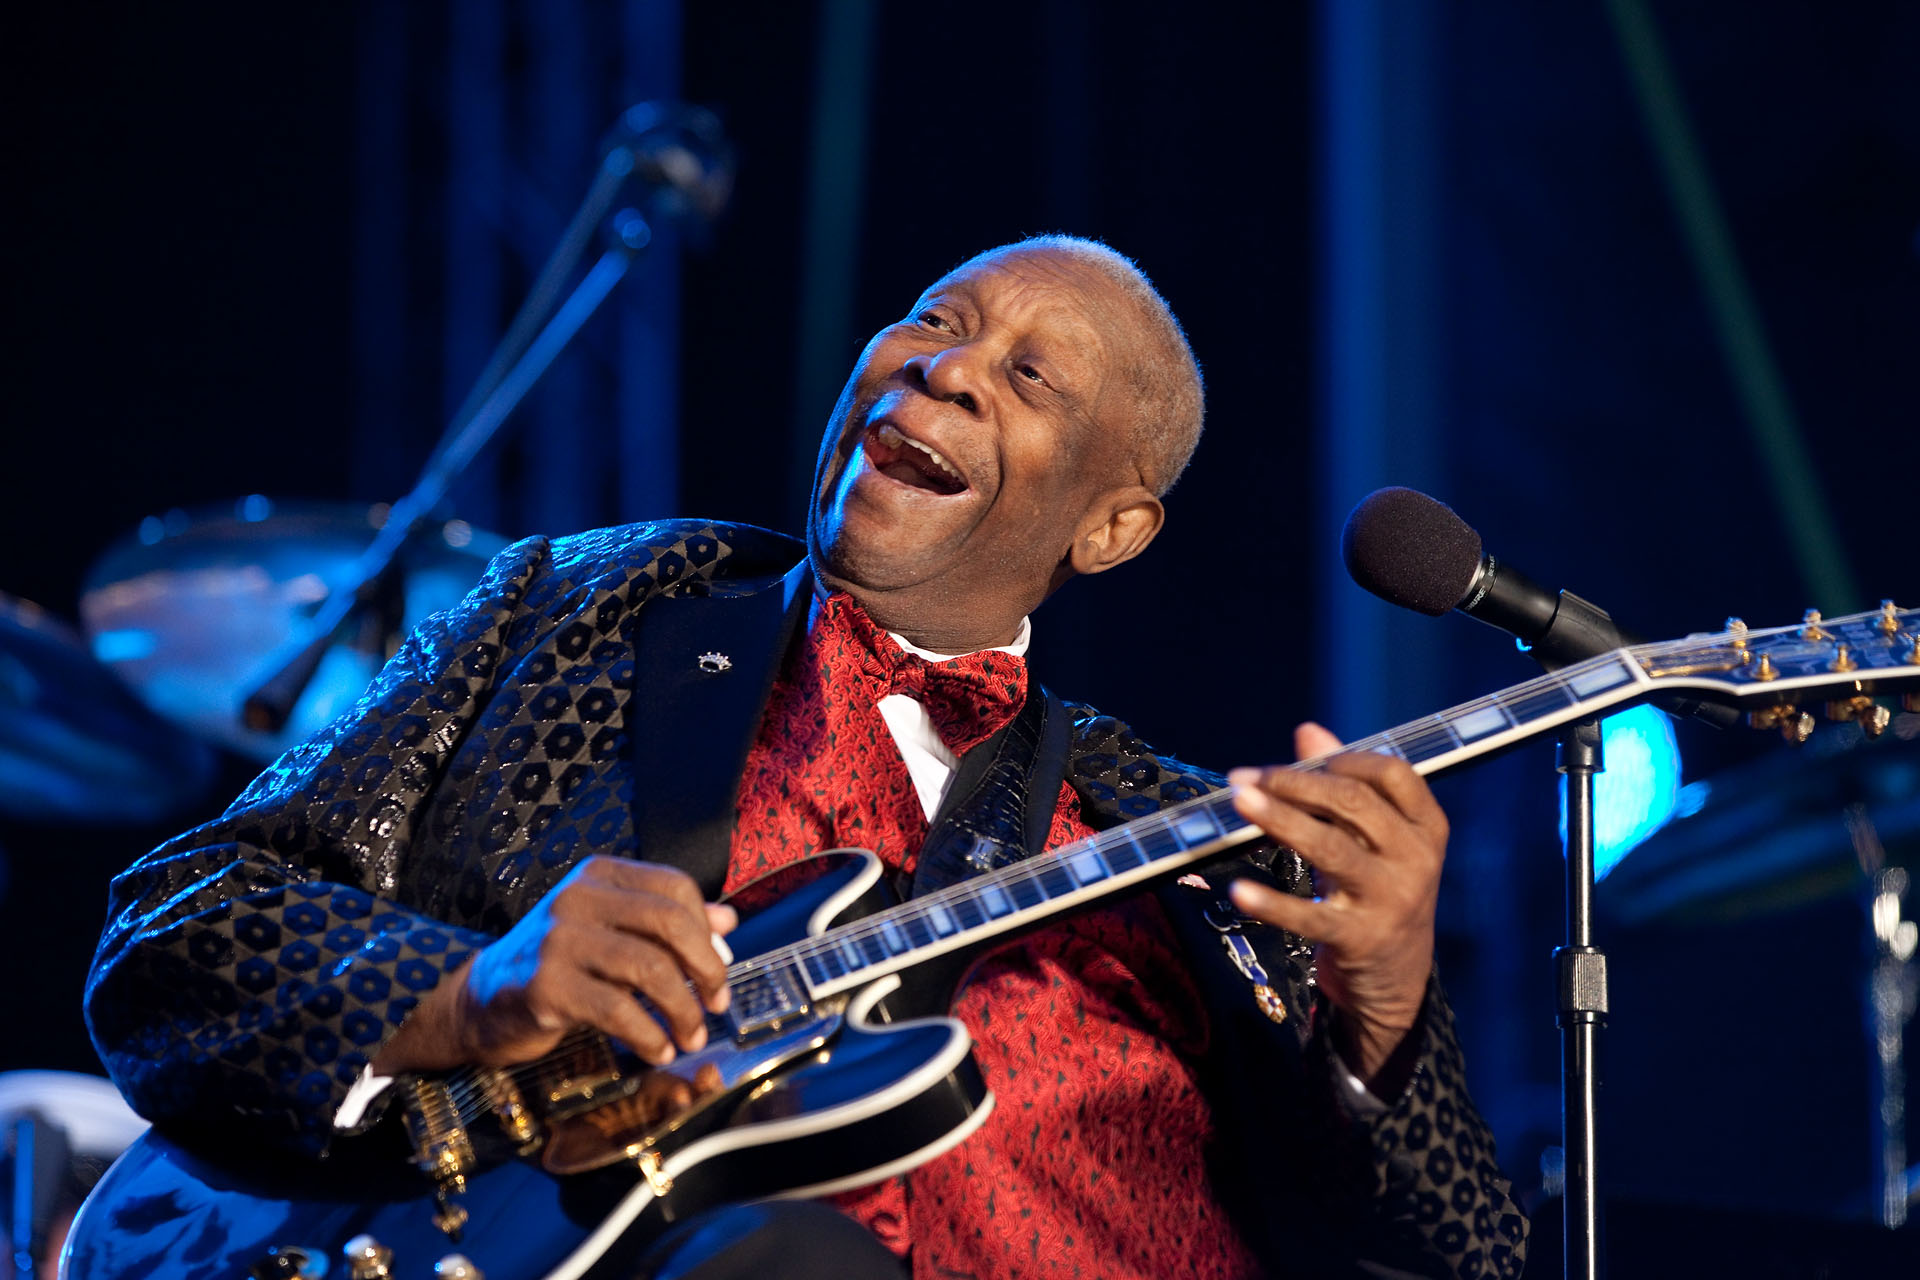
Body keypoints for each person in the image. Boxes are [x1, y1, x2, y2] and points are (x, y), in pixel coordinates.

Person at [85, 237, 1527, 1278]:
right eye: (933, 319)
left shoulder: (1192, 841)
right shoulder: (580, 609)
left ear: (1110, 529)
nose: (948, 368)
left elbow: (1464, 1248)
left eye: (1028, 377)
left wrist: (1387, 995)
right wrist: (469, 994)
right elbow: (172, 932)